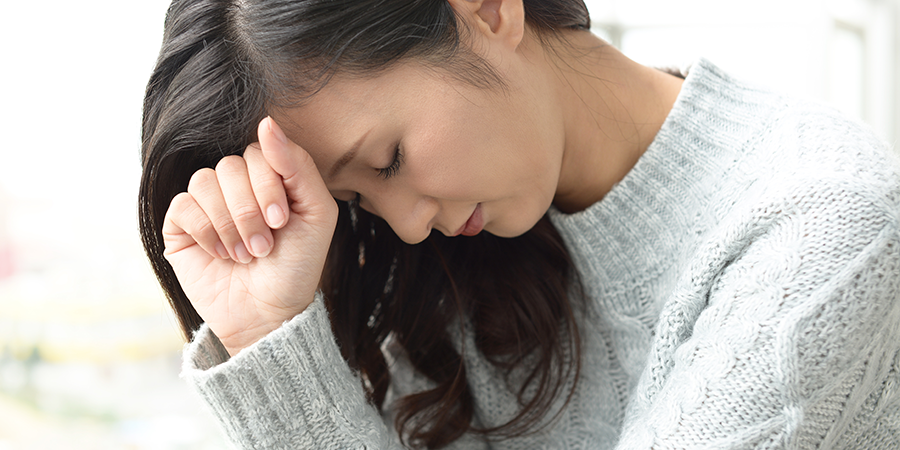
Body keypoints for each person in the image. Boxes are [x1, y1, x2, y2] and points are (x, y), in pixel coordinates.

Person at [138, 0, 900, 448]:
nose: (403, 227)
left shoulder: (818, 229)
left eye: (389, 160)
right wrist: (269, 332)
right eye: (357, 201)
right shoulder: (447, 277)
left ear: (488, 9)